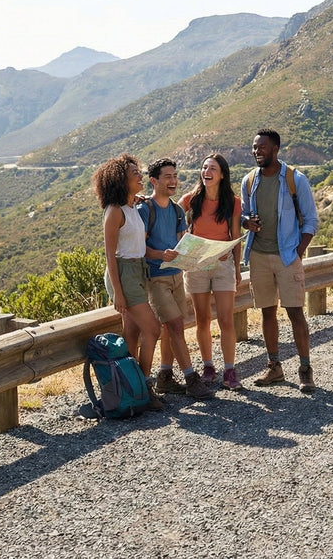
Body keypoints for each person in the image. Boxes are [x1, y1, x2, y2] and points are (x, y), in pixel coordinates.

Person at [240, 128, 319, 393]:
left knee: (296, 312)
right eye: (254, 147)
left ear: (275, 149)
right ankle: (274, 367)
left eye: (262, 147)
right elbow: (242, 215)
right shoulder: (249, 181)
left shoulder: (296, 179)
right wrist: (245, 222)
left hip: (287, 256)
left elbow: (311, 220)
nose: (256, 152)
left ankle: (305, 369)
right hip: (258, 256)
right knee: (266, 312)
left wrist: (298, 251)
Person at [140, 157, 215, 400]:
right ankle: (191, 378)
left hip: (176, 277)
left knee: (171, 327)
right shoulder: (144, 210)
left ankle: (164, 377)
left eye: (175, 176)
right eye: (167, 177)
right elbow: (139, 248)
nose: (173, 181)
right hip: (156, 278)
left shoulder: (176, 210)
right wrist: (161, 254)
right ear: (154, 181)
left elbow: (184, 241)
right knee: (174, 326)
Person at [92, 154, 162, 410]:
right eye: (135, 173)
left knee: (132, 334)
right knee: (154, 330)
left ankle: (129, 392)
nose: (140, 176)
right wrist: (118, 293)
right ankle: (143, 386)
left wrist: (135, 200)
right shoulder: (114, 212)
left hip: (137, 271)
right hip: (122, 274)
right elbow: (110, 255)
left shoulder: (132, 206)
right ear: (121, 179)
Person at [179, 154, 244, 390]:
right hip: (196, 266)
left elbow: (236, 237)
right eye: (204, 167)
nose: (206, 171)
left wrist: (236, 269)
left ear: (222, 174)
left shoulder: (233, 202)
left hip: (223, 264)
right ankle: (208, 366)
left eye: (212, 168)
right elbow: (169, 213)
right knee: (202, 319)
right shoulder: (190, 199)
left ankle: (229, 369)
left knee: (226, 319)